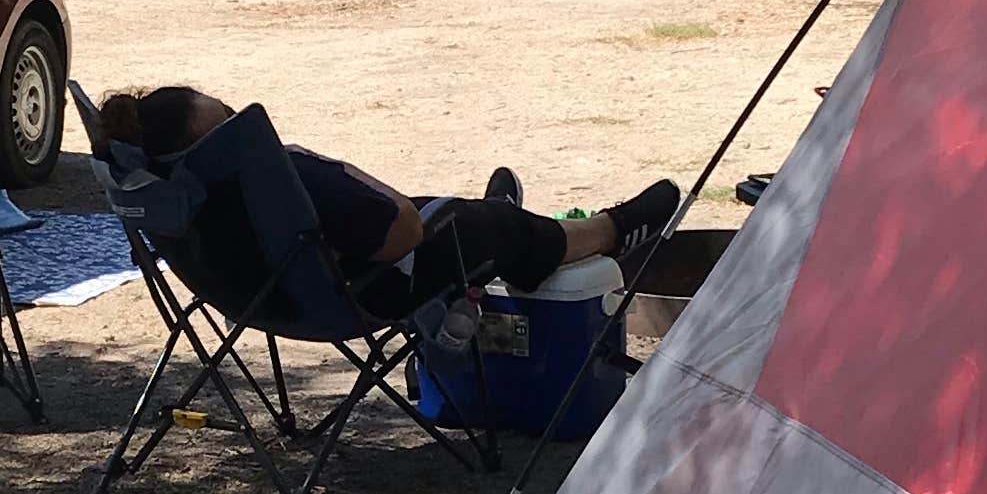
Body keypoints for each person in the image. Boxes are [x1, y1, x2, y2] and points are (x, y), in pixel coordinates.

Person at [93, 83, 678, 318]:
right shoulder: (280, 178)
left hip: (259, 302)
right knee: (470, 225)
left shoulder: (170, 193)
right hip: (353, 295)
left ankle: (502, 218)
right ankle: (611, 229)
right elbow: (404, 231)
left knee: (464, 217)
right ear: (223, 141)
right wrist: (337, 171)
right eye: (228, 114)